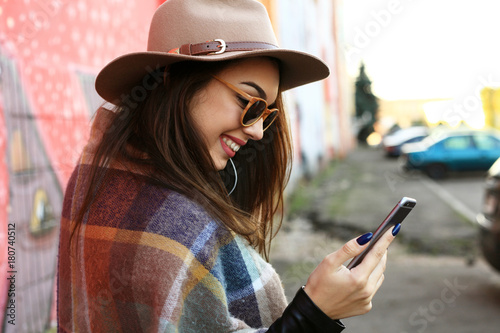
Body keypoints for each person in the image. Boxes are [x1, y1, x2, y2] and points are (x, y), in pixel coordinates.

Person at [57, 0, 401, 332]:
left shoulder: (97, 176)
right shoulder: (176, 224)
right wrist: (315, 313)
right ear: (172, 79)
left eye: (266, 113)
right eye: (248, 102)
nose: (257, 131)